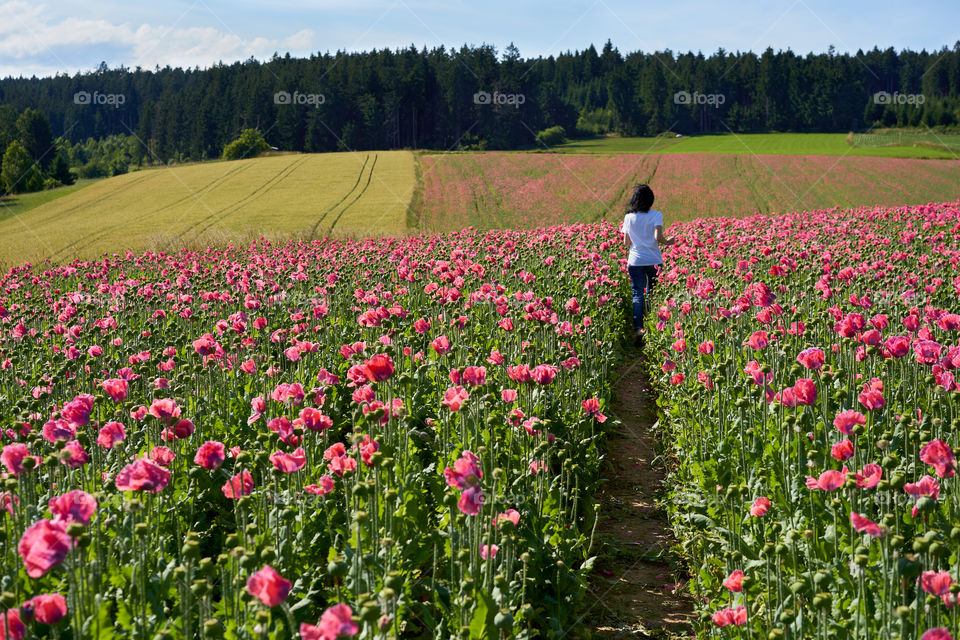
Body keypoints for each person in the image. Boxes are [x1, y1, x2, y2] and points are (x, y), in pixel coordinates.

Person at [621, 184, 675, 339]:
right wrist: (668, 242)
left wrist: (638, 240)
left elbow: (626, 242)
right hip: (653, 259)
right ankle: (653, 325)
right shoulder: (656, 215)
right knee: (652, 293)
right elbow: (658, 237)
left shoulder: (629, 217)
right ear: (650, 200)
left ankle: (638, 328)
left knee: (637, 293)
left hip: (635, 260)